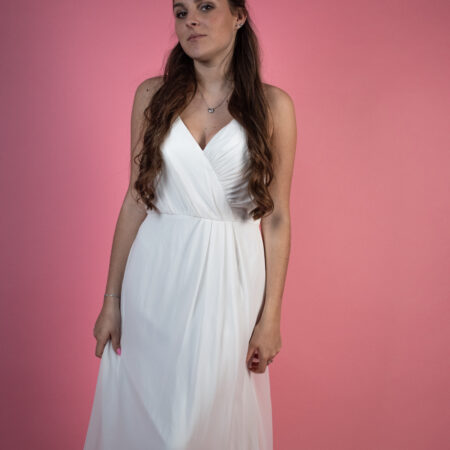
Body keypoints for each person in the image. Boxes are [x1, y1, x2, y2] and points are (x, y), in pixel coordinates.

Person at [83, 0, 296, 449]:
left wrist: (271, 316)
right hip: (153, 283)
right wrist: (112, 301)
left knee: (207, 421)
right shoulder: (152, 96)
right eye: (180, 12)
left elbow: (276, 217)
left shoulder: (274, 106)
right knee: (152, 417)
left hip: (231, 284)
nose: (191, 20)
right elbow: (136, 200)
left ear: (239, 16)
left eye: (205, 6)